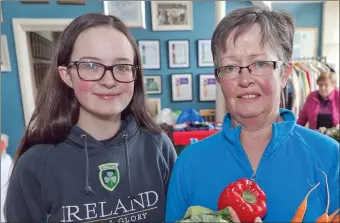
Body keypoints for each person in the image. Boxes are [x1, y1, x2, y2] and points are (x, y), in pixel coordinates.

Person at [165, 6, 339, 223]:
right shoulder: (189, 163)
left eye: (259, 64)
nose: (244, 79)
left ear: (284, 74)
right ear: (218, 78)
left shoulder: (330, 157)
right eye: (230, 67)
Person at [5, 13, 177, 223]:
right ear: (67, 75)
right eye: (91, 66)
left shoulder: (158, 146)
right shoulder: (34, 164)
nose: (108, 80)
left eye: (122, 67)